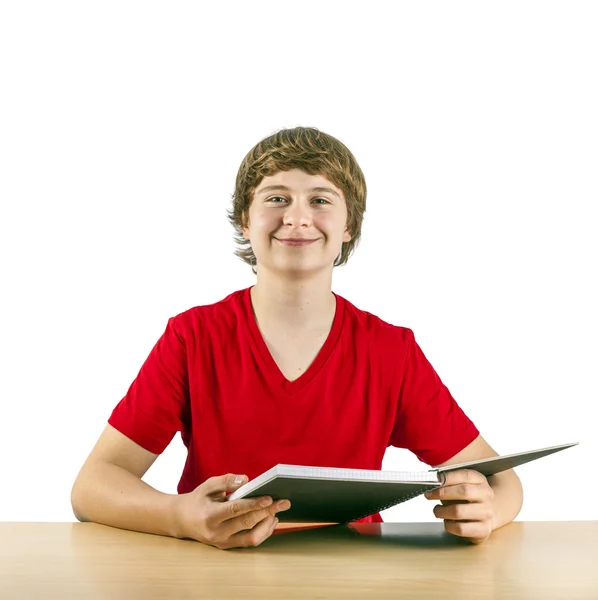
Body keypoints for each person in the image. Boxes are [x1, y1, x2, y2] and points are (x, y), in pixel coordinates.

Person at [71, 126, 523, 550]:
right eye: (277, 197)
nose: (297, 217)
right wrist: (179, 516)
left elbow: (504, 481)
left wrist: (490, 510)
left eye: (321, 200)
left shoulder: (390, 351)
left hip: (356, 581)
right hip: (214, 575)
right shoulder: (193, 337)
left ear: (349, 227)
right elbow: (93, 486)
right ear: (245, 222)